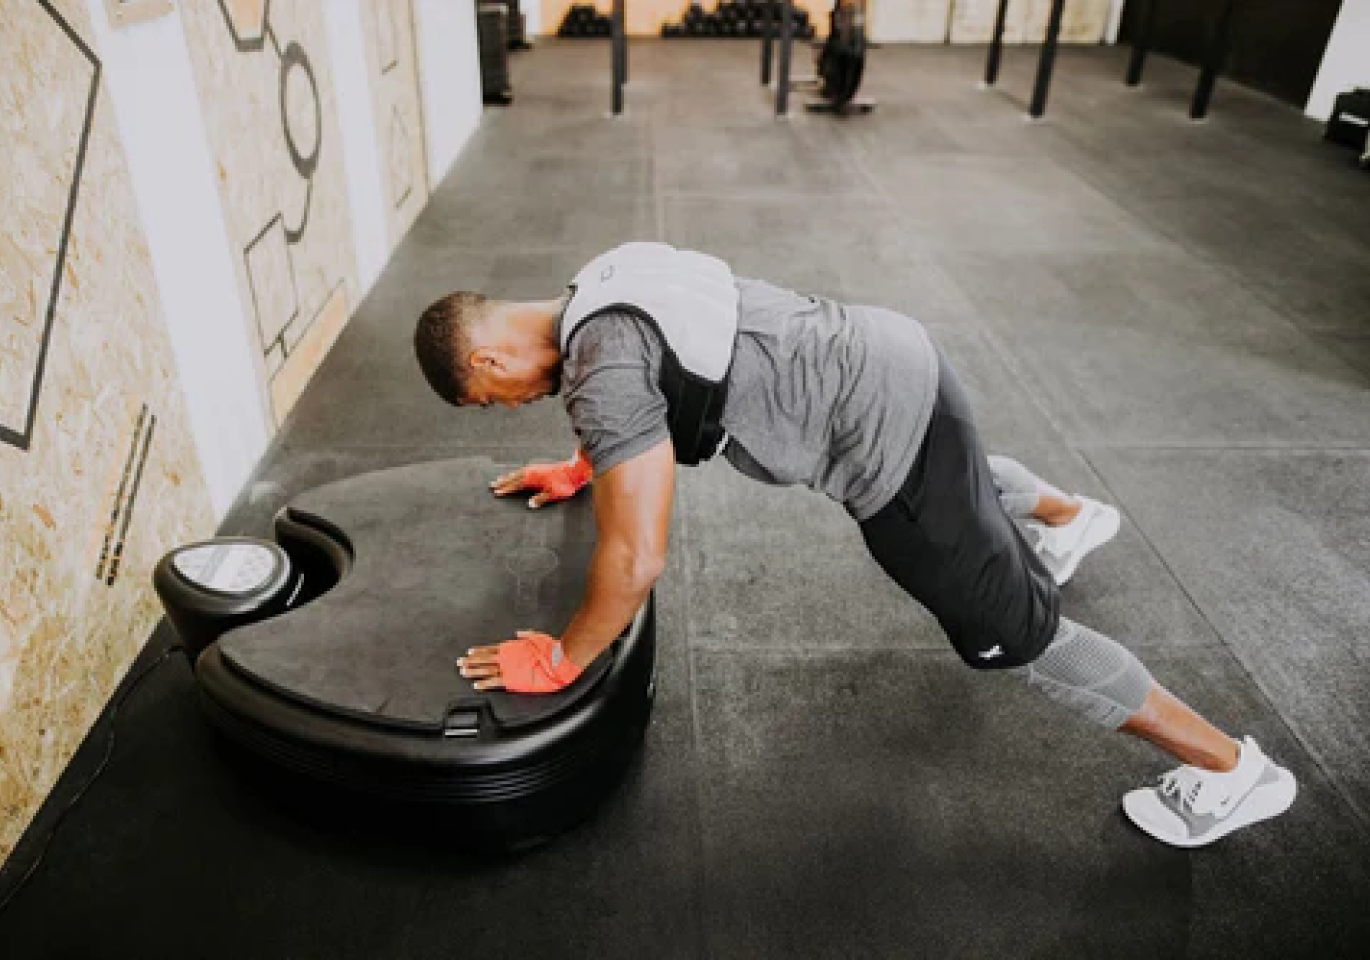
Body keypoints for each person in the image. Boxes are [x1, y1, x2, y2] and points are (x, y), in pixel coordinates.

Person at [412, 243, 1296, 848]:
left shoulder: (601, 371)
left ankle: (1231, 770)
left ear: (488, 361)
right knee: (963, 472)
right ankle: (1069, 515)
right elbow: (646, 380)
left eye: (493, 400)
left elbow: (637, 558)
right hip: (895, 351)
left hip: (884, 448)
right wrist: (584, 468)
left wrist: (564, 659)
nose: (510, 407)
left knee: (1024, 639)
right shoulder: (600, 282)